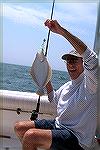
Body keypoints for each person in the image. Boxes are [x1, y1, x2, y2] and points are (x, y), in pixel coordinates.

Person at [14, 20, 98, 150]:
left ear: (83, 63)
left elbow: (91, 58)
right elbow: (53, 99)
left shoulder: (91, 84)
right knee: (19, 127)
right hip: (59, 126)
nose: (70, 64)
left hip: (78, 138)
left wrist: (62, 31)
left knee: (30, 136)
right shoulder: (67, 86)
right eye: (68, 61)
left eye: (74, 60)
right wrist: (44, 74)